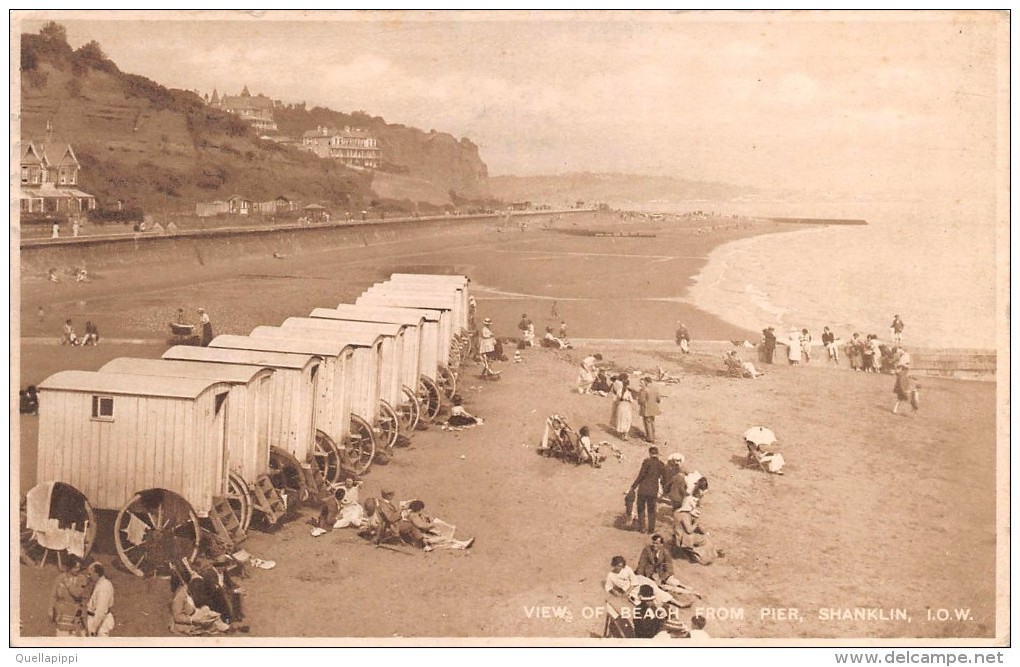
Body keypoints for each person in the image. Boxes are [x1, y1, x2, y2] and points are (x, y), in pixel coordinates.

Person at [168, 563, 231, 635]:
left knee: (210, 612)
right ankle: (220, 627)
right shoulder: (179, 596)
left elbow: (191, 604)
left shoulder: (185, 590)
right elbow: (177, 617)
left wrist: (202, 610)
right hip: (188, 621)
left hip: (194, 614)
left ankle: (221, 625)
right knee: (212, 621)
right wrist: (192, 620)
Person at [603, 556, 677, 607]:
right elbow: (609, 587)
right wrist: (617, 594)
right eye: (618, 566)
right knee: (643, 600)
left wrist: (627, 592)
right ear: (614, 565)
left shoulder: (627, 569)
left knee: (655, 591)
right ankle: (664, 606)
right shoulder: (610, 575)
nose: (619, 568)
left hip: (637, 583)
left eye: (621, 566)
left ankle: (677, 603)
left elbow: (634, 581)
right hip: (630, 590)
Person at [404, 500, 474, 551]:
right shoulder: (414, 516)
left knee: (444, 541)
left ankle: (462, 544)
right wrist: (432, 524)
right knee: (443, 540)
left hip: (423, 536)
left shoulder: (415, 515)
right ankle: (462, 544)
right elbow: (421, 525)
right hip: (422, 539)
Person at [629, 446, 666, 533]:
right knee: (652, 510)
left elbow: (641, 475)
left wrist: (633, 486)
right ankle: (651, 529)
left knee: (641, 508)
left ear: (650, 453)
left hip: (643, 489)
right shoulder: (661, 464)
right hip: (653, 490)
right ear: (658, 454)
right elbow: (664, 479)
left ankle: (642, 528)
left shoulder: (646, 462)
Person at [49, 555, 88, 636]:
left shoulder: (82, 579)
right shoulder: (59, 578)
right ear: (69, 568)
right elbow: (53, 595)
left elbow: (77, 594)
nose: (78, 570)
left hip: (75, 611)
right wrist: (50, 609)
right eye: (75, 567)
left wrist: (68, 584)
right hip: (61, 611)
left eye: (79, 567)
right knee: (61, 635)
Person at [85, 562, 114, 637]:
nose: (88, 577)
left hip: (100, 624)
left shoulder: (104, 586)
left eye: (90, 574)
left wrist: (93, 629)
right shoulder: (100, 584)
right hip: (96, 621)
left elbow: (101, 611)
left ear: (96, 573)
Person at [637, 376, 661, 443]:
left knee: (647, 423)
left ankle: (650, 438)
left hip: (646, 409)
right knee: (652, 422)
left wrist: (639, 400)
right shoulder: (655, 389)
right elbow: (658, 399)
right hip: (654, 409)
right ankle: (653, 436)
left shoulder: (644, 390)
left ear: (646, 382)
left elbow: (641, 401)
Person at [612, 373, 634, 440]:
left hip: (620, 406)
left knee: (621, 419)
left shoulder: (619, 391)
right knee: (627, 420)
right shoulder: (628, 392)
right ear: (628, 385)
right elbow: (632, 400)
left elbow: (615, 399)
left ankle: (621, 435)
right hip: (627, 406)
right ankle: (626, 435)